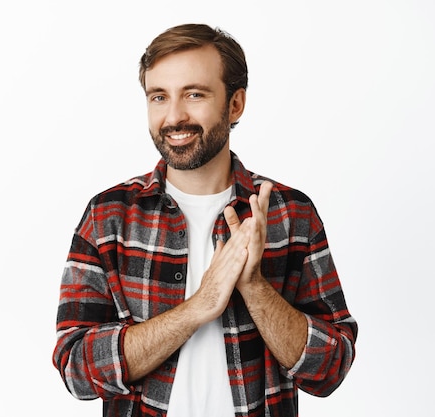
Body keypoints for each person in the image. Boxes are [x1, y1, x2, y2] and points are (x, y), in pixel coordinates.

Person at [52, 23, 357, 417]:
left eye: (194, 94)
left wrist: (256, 289)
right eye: (159, 97)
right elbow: (76, 369)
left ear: (235, 104)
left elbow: (330, 370)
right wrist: (199, 306)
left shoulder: (290, 213)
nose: (174, 116)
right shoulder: (108, 215)